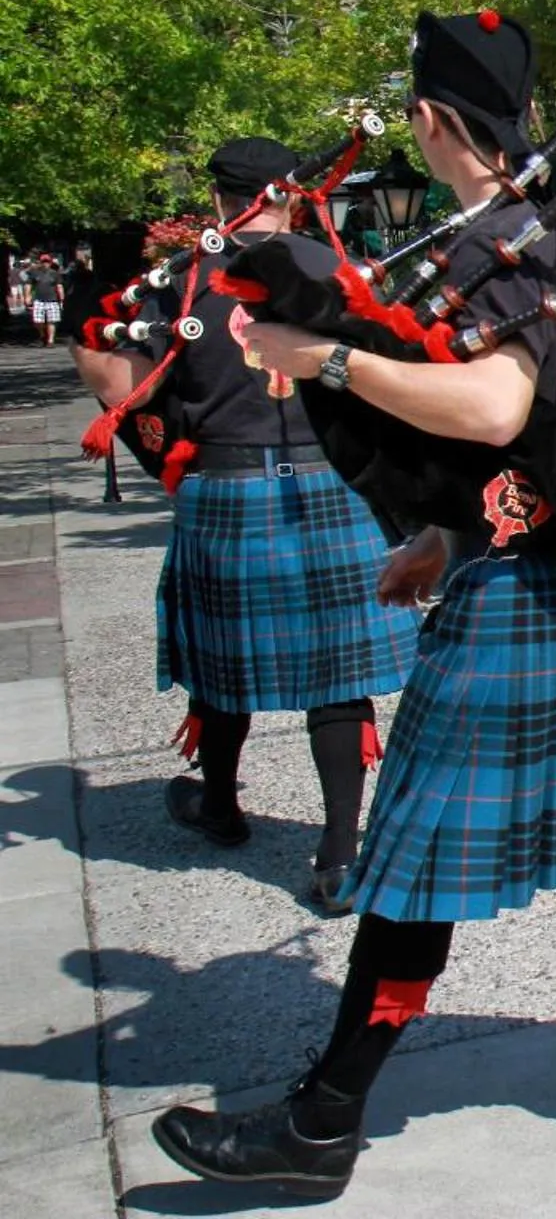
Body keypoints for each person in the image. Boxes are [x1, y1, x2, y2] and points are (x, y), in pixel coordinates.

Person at [151, 10, 556, 1194]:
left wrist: (324, 359)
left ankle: (321, 1127)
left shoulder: (498, 247)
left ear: (431, 119)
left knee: (418, 854)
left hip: (524, 601)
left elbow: (492, 407)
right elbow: (548, 426)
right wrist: (440, 527)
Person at [68, 141, 417, 910]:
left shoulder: (186, 280)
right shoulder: (340, 271)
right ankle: (337, 855)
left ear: (222, 197)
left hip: (228, 484)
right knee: (340, 673)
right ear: (294, 195)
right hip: (334, 478)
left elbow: (125, 382)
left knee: (224, 662)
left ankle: (221, 808)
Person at [26, 252, 63, 345]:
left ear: (50, 263)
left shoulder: (55, 274)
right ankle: (42, 334)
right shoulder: (35, 273)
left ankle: (50, 340)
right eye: (43, 262)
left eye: (47, 262)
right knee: (38, 321)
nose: (45, 263)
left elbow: (59, 286)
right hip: (38, 300)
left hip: (52, 300)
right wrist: (27, 296)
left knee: (52, 321)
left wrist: (61, 298)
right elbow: (28, 285)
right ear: (40, 262)